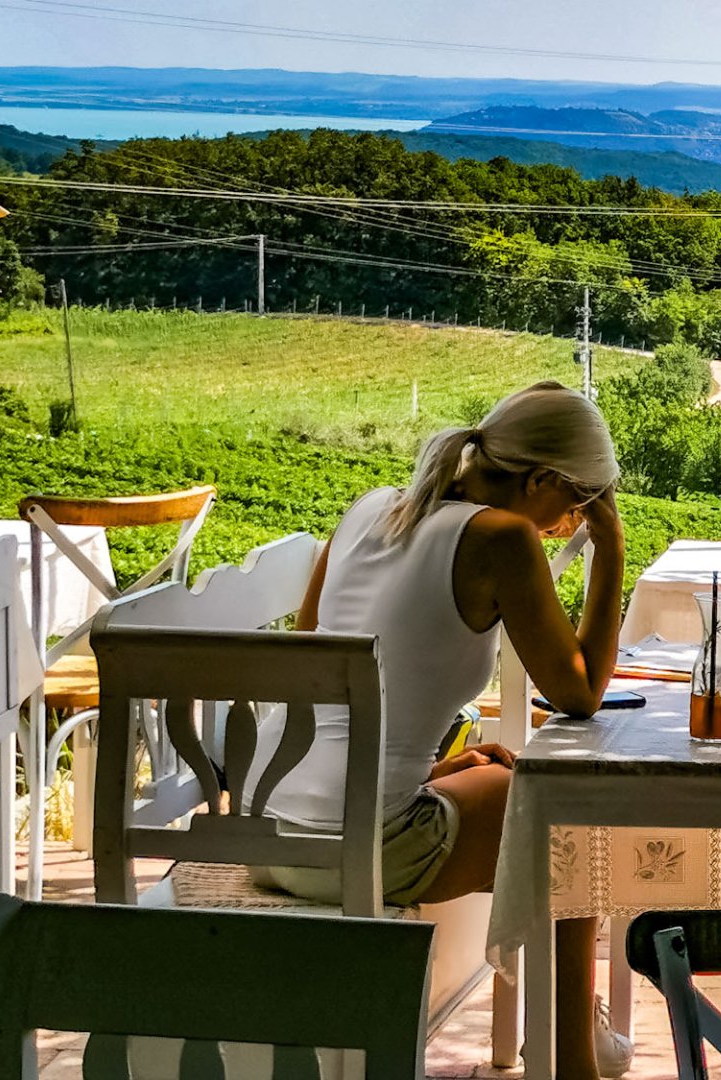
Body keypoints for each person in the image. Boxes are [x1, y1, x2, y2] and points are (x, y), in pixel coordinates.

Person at [249, 381, 630, 1079]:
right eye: (575, 506)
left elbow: (315, 675)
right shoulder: (501, 538)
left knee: (509, 775)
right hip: (363, 846)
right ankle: (573, 1054)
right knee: (577, 824)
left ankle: (560, 1033)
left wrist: (424, 773)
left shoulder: (369, 509)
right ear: (541, 479)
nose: (566, 525)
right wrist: (610, 552)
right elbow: (578, 693)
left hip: (270, 828)